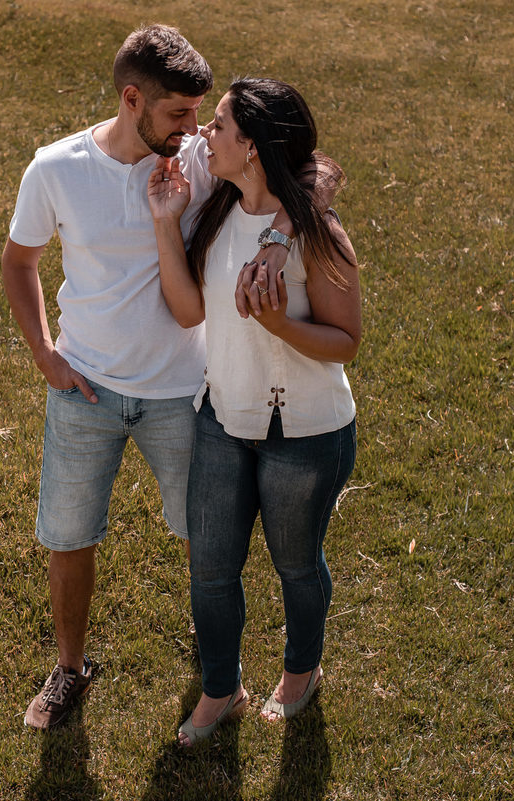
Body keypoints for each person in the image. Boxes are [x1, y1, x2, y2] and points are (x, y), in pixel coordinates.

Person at [2, 26, 336, 730]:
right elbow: (19, 260)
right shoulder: (56, 168)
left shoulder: (202, 159)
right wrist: (43, 353)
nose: (192, 129)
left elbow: (315, 170)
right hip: (83, 390)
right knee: (69, 538)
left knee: (205, 544)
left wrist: (278, 238)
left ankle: (220, 674)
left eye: (200, 116)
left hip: (185, 395)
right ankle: (69, 670)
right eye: (179, 113)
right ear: (132, 99)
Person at [146, 77, 360, 747]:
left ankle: (301, 671)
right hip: (222, 420)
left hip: (309, 432)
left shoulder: (318, 234)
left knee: (296, 563)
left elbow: (347, 340)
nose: (203, 135)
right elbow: (188, 312)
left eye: (217, 125)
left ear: (254, 147)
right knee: (209, 565)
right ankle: (220, 687)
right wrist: (163, 221)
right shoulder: (214, 209)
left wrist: (279, 325)